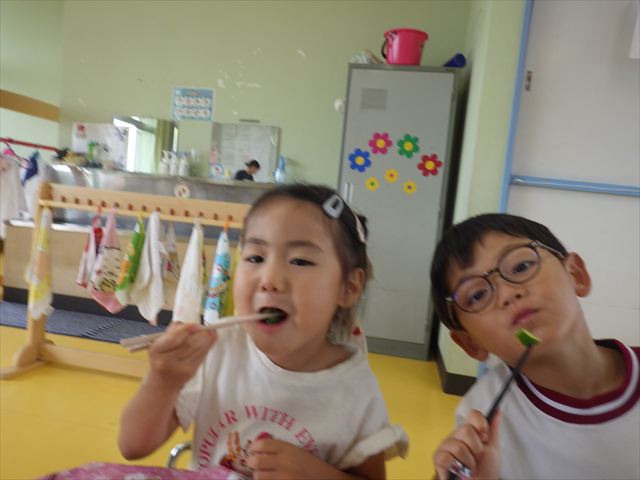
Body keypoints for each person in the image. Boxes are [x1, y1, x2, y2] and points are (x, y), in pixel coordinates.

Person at [119, 184, 408, 479]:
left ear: (348, 288)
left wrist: (313, 473)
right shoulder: (218, 348)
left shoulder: (355, 388)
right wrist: (162, 381)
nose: (269, 279)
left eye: (300, 261)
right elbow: (132, 446)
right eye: (255, 258)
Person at [429, 213, 639, 480]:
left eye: (520, 267)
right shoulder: (483, 414)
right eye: (478, 295)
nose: (507, 293)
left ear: (575, 274)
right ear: (470, 343)